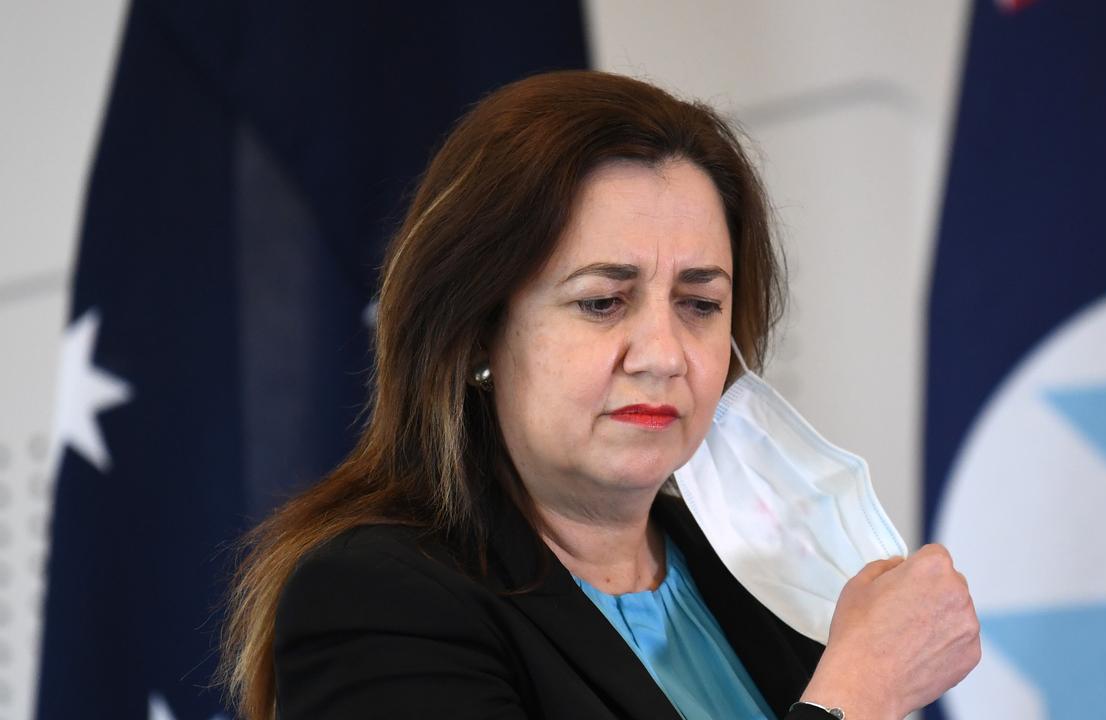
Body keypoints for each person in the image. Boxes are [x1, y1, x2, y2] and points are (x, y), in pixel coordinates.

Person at [218, 70, 980, 720]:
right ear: (477, 331)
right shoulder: (373, 599)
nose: (662, 355)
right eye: (602, 302)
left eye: (699, 304)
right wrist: (860, 691)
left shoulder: (760, 575)